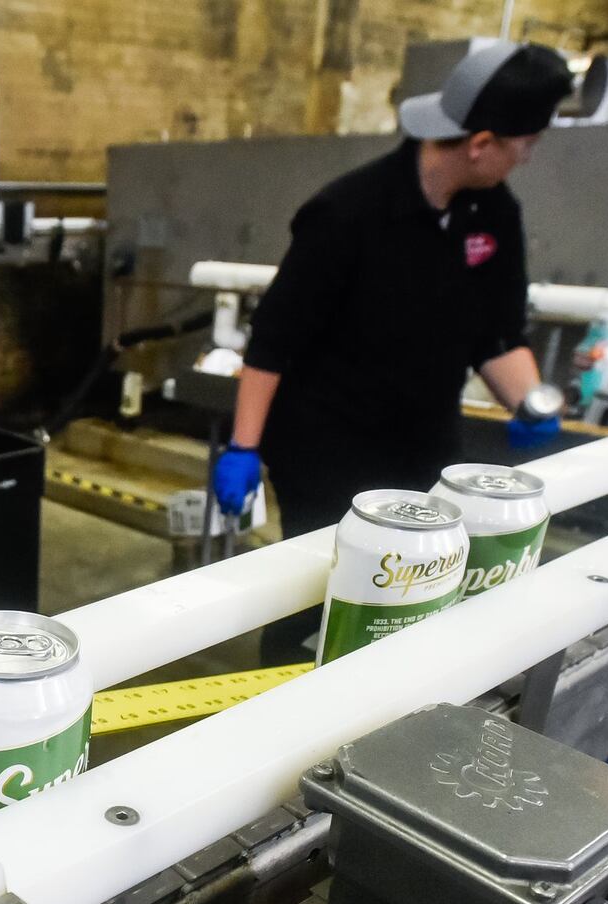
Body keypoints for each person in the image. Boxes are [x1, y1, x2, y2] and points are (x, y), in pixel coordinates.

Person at [210, 42, 573, 664]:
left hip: (425, 445)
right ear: (481, 143)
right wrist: (244, 448)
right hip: (328, 450)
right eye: (526, 144)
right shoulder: (347, 212)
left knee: (416, 596)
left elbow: (495, 333)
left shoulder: (493, 214)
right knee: (319, 602)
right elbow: (274, 338)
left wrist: (529, 402)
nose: (529, 157)